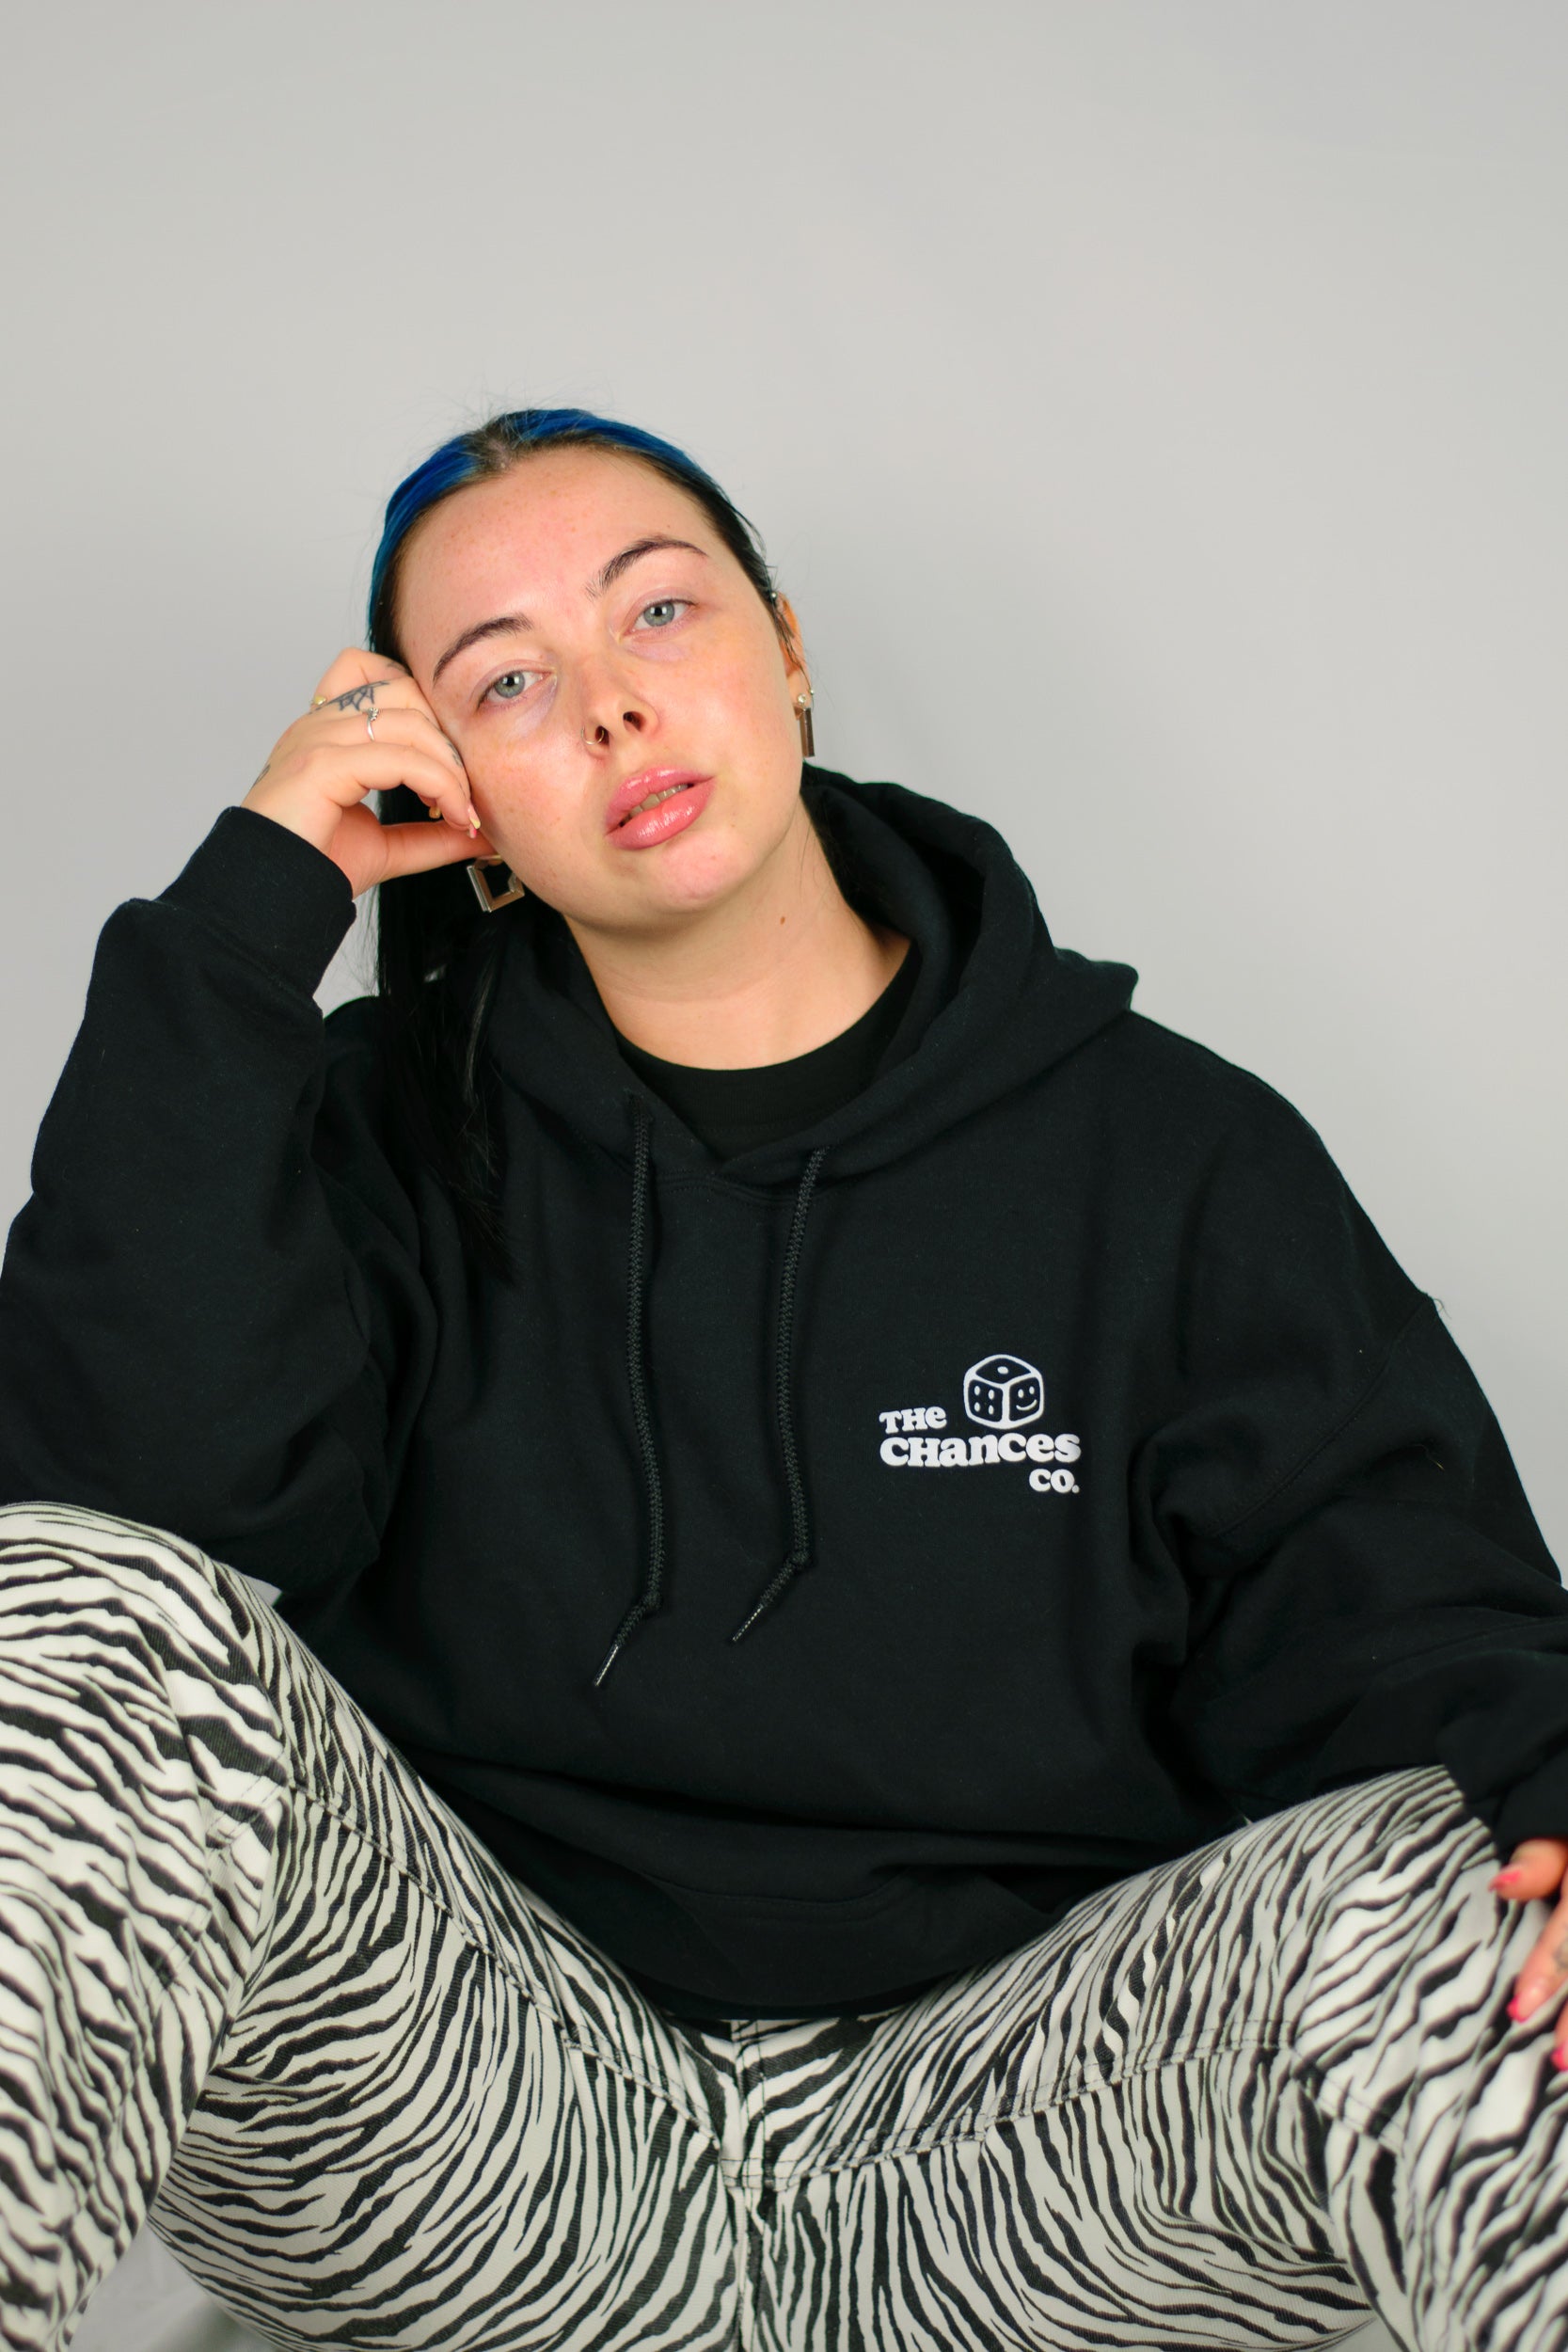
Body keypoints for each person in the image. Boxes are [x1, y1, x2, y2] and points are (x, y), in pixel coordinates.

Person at [1, 407, 1567, 2352]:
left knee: (1499, 1896)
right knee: (76, 1608)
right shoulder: (370, 1140)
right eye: (506, 677)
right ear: (446, 784)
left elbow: (1401, 1602)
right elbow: (124, 1529)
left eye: (658, 611)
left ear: (790, 647)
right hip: (503, 2131)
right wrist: (249, 914)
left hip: (1011, 2149)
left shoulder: (1171, 1157)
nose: (605, 708)